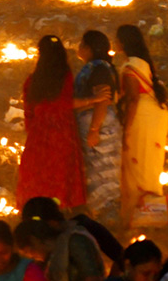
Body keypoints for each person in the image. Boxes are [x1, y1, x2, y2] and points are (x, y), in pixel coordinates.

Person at [16, 36, 87, 210]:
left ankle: (35, 208)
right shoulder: (65, 77)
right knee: (60, 173)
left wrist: (32, 131)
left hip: (38, 134)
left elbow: (29, 111)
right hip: (62, 132)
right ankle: (59, 207)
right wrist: (93, 100)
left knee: (38, 173)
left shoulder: (32, 80)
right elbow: (65, 103)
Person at [116, 24, 168, 222]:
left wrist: (126, 132)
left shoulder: (131, 65)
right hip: (155, 116)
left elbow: (132, 99)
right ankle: (153, 218)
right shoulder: (143, 62)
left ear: (122, 42)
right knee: (150, 169)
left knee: (135, 168)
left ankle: (138, 219)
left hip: (141, 118)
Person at [73, 30, 121, 224]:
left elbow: (103, 99)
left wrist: (94, 130)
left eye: (81, 44)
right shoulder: (96, 67)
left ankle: (108, 216)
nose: (78, 48)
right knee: (95, 169)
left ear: (89, 48)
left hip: (99, 126)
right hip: (94, 122)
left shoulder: (99, 68)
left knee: (102, 169)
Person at [13, 218, 104, 281]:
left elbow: (92, 276)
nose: (32, 257)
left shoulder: (74, 242)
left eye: (28, 252)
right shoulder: (51, 259)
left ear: (34, 240)